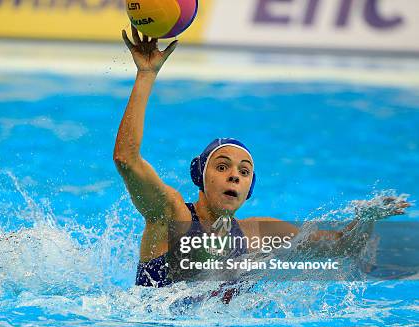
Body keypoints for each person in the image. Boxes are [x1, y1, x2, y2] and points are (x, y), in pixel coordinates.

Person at [114, 27, 411, 300]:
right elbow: (126, 159)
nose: (234, 177)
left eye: (244, 172)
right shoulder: (171, 214)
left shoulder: (258, 236)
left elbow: (344, 248)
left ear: (250, 187)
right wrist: (146, 74)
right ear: (200, 176)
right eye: (222, 167)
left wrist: (367, 218)